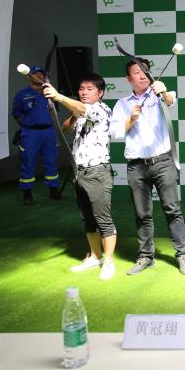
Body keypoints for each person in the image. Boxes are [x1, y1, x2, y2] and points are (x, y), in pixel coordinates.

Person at [111, 58, 185, 275]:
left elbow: (171, 100)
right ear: (129, 78)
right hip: (136, 166)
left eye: (145, 71)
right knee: (142, 214)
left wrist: (163, 92)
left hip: (163, 162)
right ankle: (146, 256)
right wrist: (131, 119)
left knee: (172, 210)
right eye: (137, 72)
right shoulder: (122, 104)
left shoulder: (159, 94)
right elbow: (115, 132)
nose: (142, 75)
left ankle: (182, 254)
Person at [43, 73, 117, 280]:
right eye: (82, 88)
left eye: (90, 89)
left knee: (103, 219)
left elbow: (84, 109)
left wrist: (58, 97)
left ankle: (109, 261)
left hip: (97, 171)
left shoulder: (101, 109)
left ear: (100, 93)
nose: (84, 92)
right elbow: (64, 129)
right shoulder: (80, 111)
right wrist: (74, 115)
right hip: (79, 172)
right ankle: (95, 256)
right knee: (87, 219)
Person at [11, 65, 60, 204]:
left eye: (41, 74)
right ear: (29, 77)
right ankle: (27, 195)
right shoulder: (21, 94)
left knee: (51, 161)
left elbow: (55, 111)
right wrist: (27, 125)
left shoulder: (50, 93)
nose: (38, 76)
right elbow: (16, 114)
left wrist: (51, 95)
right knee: (28, 162)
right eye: (35, 74)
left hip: (48, 132)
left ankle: (54, 192)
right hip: (30, 133)